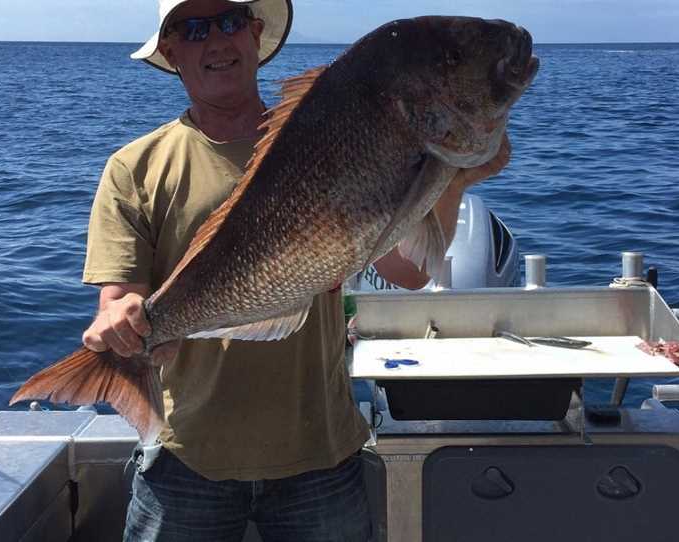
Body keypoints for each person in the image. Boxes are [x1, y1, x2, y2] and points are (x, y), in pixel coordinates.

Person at [81, 0, 511, 540]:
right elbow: (120, 300)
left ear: (255, 34)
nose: (216, 39)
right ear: (171, 50)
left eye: (231, 20)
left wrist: (452, 179)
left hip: (320, 455)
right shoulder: (135, 168)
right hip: (186, 458)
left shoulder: (337, 131)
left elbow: (406, 271)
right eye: (193, 28)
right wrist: (121, 325)